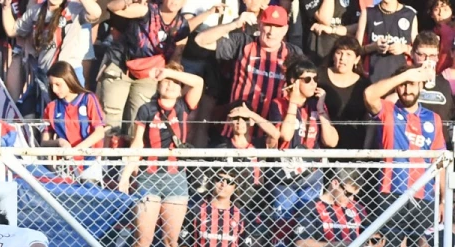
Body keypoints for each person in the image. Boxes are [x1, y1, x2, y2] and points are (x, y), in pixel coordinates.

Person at [118, 64, 204, 247]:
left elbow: (198, 82)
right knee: (143, 238)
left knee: (172, 239)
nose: (170, 84)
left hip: (176, 178)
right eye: (165, 80)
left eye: (175, 82)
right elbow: (137, 142)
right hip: (150, 177)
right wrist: (126, 176)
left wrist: (170, 73)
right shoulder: (147, 109)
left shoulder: (183, 105)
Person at [363, 63, 445, 247]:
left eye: (412, 83)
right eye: (402, 84)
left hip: (425, 196)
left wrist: (443, 199)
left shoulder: (434, 119)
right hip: (392, 191)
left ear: (421, 85)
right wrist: (406, 74)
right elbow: (369, 94)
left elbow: (440, 162)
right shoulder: (388, 110)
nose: (407, 89)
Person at [98, 0, 220, 135]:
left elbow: (183, 40)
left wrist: (209, 12)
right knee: (111, 119)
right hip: (121, 67)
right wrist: (126, 1)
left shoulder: (181, 25)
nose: (175, 1)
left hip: (149, 74)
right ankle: (106, 155)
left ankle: (130, 155)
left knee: (138, 122)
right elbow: (112, 8)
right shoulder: (146, 10)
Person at [197, 6, 304, 132]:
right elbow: (201, 40)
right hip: (237, 131)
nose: (272, 32)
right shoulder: (243, 42)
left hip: (272, 132)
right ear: (259, 24)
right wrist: (234, 24)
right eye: (268, 25)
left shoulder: (293, 53)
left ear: (285, 29)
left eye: (277, 27)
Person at [267, 58, 339, 217]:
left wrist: (321, 110)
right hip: (286, 174)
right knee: (283, 221)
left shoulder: (317, 104)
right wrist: (292, 103)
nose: (313, 83)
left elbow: (332, 141)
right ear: (294, 81)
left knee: (307, 221)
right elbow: (285, 135)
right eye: (307, 79)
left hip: (312, 174)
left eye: (315, 79)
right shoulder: (279, 103)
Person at [0, 0, 103, 106]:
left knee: (70, 115)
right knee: (30, 112)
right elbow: (12, 30)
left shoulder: (74, 8)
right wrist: (6, 8)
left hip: (69, 73)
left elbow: (95, 13)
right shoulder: (36, 10)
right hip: (45, 74)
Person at [41, 63, 111, 170]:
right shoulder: (51, 107)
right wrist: (59, 142)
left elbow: (99, 132)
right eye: (51, 85)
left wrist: (75, 151)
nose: (54, 89)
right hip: (66, 166)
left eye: (58, 84)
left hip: (90, 162)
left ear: (69, 80)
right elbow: (44, 142)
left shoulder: (88, 99)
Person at [292, 167, 366, 247]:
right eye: (348, 194)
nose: (351, 198)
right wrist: (338, 246)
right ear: (335, 183)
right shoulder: (312, 208)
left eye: (355, 195)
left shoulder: (358, 208)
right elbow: (301, 243)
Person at [318, 36, 372, 149]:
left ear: (356, 59)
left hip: (353, 147)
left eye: (348, 54)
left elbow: (369, 119)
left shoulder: (364, 84)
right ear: (333, 55)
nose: (342, 58)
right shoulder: (319, 76)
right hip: (321, 143)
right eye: (339, 53)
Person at [357, 0, 416, 84]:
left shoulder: (409, 14)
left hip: (400, 80)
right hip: (372, 77)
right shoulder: (368, 12)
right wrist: (373, 47)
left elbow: (418, 52)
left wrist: (403, 48)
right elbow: (355, 50)